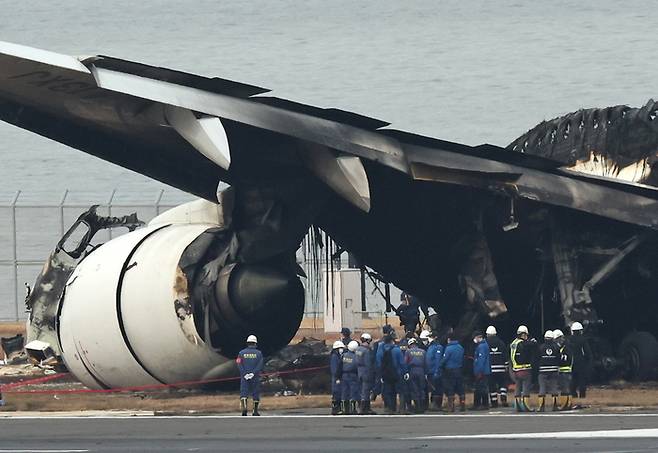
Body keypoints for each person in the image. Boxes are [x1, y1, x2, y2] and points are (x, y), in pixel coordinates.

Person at [236, 334, 264, 416]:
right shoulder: (259, 353)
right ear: (255, 343)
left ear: (247, 343)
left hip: (244, 377)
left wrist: (244, 374)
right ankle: (255, 411)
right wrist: (253, 373)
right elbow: (260, 364)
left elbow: (238, 363)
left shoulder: (241, 353)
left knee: (244, 392)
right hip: (255, 377)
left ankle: (244, 409)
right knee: (255, 393)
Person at [440, 329, 465, 412]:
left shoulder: (449, 348)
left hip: (450, 370)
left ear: (449, 339)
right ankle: (462, 404)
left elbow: (445, 359)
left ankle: (451, 407)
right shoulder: (460, 347)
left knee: (450, 388)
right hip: (459, 369)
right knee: (460, 388)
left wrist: (440, 366)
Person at [376, 333, 402, 414]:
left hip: (385, 374)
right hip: (395, 373)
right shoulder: (397, 349)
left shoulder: (381, 349)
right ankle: (394, 408)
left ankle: (388, 407)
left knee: (387, 391)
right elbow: (401, 362)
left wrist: (380, 373)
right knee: (395, 391)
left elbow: (378, 362)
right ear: (392, 341)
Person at [510, 325, 534, 412]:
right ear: (523, 334)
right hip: (524, 369)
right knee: (525, 388)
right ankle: (526, 406)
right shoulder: (523, 344)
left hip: (515, 370)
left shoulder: (513, 343)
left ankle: (517, 406)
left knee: (518, 388)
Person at [568, 322, 592, 403]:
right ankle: (582, 399)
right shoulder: (583, 340)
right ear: (580, 330)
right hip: (581, 364)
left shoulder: (569, 340)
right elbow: (588, 353)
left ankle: (574, 398)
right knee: (582, 382)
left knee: (573, 382)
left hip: (571, 363)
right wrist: (588, 363)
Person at [485, 325, 509, 407]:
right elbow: (505, 355)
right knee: (502, 384)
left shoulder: (485, 343)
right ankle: (503, 398)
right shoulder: (501, 343)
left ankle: (494, 402)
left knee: (492, 386)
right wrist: (506, 365)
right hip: (501, 368)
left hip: (490, 369)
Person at [537, 330, 560, 412]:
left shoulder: (541, 347)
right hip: (553, 370)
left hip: (543, 371)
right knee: (554, 388)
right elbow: (559, 358)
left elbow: (537, 359)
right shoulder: (556, 347)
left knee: (542, 388)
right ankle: (555, 406)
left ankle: (541, 407)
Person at [404, 337, 427, 413]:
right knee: (422, 388)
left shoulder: (408, 352)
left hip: (412, 370)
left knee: (414, 389)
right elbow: (426, 363)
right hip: (421, 371)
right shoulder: (423, 351)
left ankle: (417, 407)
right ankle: (423, 407)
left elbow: (405, 362)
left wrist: (406, 372)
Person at [370, 324, 393, 402]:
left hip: (378, 366)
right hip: (386, 366)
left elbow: (373, 356)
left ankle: (374, 393)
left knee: (379, 381)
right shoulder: (388, 343)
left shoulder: (377, 343)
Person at [355, 333, 376, 415]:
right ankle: (364, 409)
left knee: (362, 390)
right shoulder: (366, 351)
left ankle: (363, 408)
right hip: (366, 372)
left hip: (359, 371)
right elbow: (368, 364)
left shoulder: (358, 349)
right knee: (366, 391)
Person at [553, 329, 573, 410]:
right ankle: (567, 404)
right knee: (565, 389)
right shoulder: (565, 347)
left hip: (565, 371)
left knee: (565, 389)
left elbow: (564, 360)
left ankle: (566, 405)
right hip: (564, 371)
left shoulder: (565, 348)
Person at [472, 330, 491, 410]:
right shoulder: (483, 345)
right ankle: (482, 404)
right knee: (482, 388)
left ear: (479, 337)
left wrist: (479, 371)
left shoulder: (481, 346)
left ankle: (482, 404)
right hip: (484, 370)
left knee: (481, 388)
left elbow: (481, 360)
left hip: (482, 371)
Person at [426, 331, 444, 411]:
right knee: (433, 389)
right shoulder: (430, 347)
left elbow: (438, 360)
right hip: (430, 371)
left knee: (437, 389)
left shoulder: (438, 347)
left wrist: (437, 371)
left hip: (435, 371)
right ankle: (433, 403)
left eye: (431, 336)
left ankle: (437, 405)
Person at [341, 340, 360, 415]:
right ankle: (353, 409)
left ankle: (344, 409)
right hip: (353, 375)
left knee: (345, 392)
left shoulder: (343, 355)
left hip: (344, 375)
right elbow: (357, 366)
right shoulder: (356, 357)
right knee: (353, 392)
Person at [397, 332, 413, 414]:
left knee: (401, 391)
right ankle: (406, 407)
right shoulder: (408, 348)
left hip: (399, 371)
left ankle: (401, 407)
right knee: (406, 390)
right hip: (406, 370)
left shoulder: (399, 345)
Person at [330, 340, 345, 415]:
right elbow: (335, 368)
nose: (341, 349)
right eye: (340, 348)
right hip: (336, 378)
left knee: (338, 393)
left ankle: (337, 408)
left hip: (337, 377)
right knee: (336, 393)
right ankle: (335, 409)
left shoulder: (338, 356)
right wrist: (337, 378)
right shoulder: (334, 357)